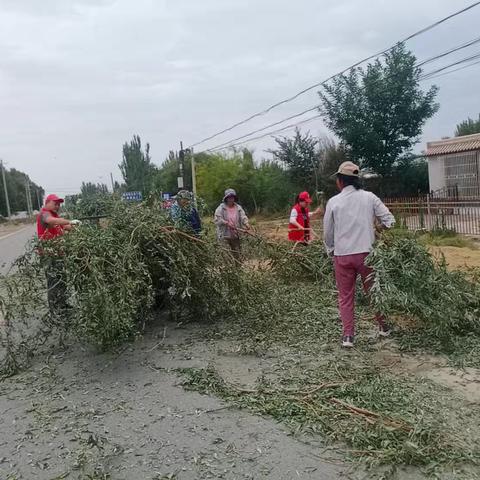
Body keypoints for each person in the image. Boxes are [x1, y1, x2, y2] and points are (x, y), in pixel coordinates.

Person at [323, 162, 395, 348]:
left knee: (346, 296)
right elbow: (390, 220)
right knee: (374, 292)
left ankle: (348, 336)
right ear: (356, 180)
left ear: (340, 181)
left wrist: (331, 250)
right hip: (367, 255)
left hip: (343, 256)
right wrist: (379, 229)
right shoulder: (369, 198)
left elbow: (327, 233)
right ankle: (384, 326)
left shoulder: (333, 202)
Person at [37, 194, 80, 316]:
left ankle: (62, 305)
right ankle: (55, 311)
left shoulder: (55, 216)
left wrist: (76, 226)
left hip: (58, 253)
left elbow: (65, 226)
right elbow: (51, 221)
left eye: (59, 204)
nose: (58, 206)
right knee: (54, 282)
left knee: (62, 280)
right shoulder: (44, 214)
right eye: (55, 203)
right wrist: (69, 220)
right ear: (48, 202)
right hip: (49, 254)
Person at [214, 188, 250, 261]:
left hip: (235, 234)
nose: (231, 199)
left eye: (232, 197)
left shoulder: (238, 207)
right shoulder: (221, 208)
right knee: (227, 256)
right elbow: (217, 219)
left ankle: (238, 270)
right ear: (226, 198)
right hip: (224, 235)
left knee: (237, 254)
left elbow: (243, 216)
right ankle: (228, 269)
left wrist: (246, 223)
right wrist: (226, 223)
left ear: (234, 198)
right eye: (229, 197)